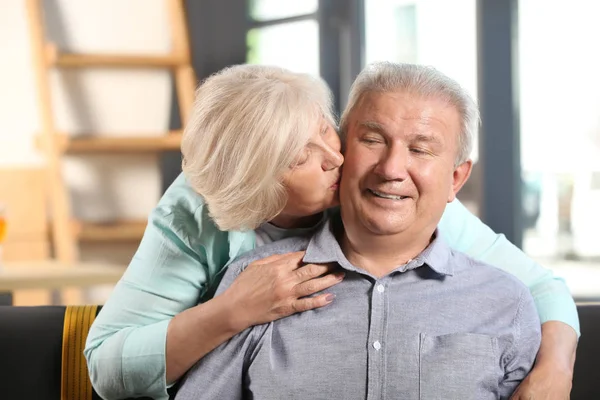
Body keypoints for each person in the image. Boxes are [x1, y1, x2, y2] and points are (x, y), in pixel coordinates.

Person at [84, 64, 578, 400]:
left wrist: (554, 370)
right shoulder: (202, 218)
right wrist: (232, 310)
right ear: (259, 185)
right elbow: (109, 365)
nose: (339, 157)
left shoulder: (400, 202)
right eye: (302, 156)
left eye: (326, 129)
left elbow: (540, 289)